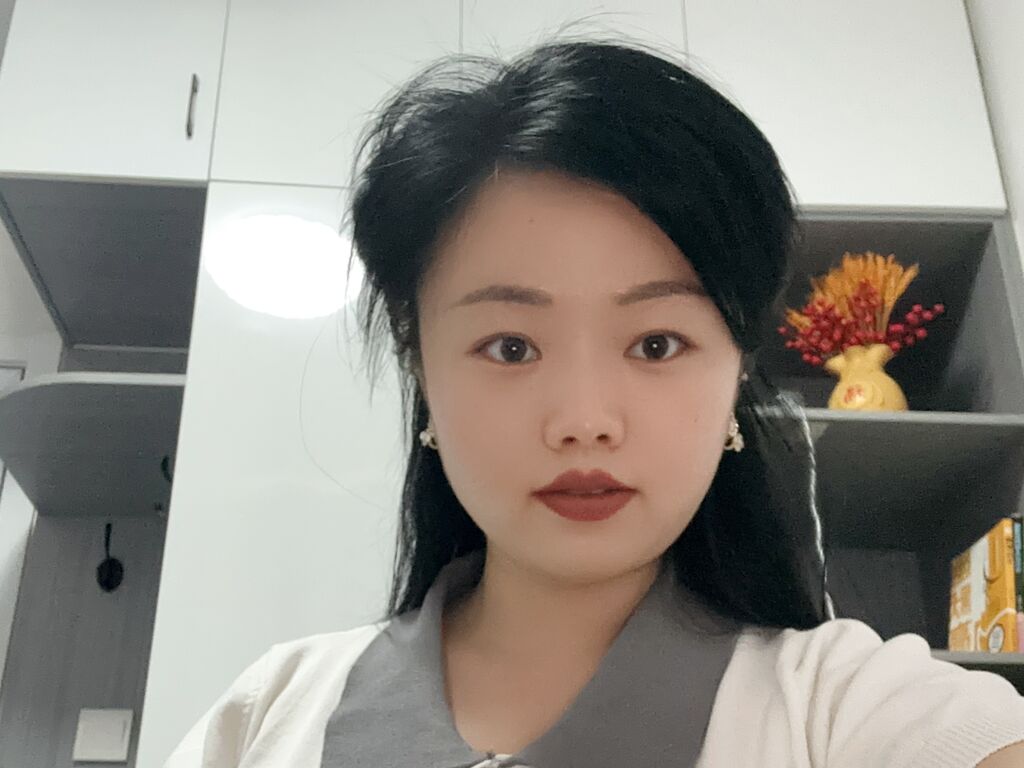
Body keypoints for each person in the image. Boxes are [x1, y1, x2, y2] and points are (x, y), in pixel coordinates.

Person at [164, 37, 1024, 768]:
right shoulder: (269, 715)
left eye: (657, 344)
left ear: (736, 369)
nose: (584, 420)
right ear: (420, 366)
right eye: (510, 347)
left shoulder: (852, 713)